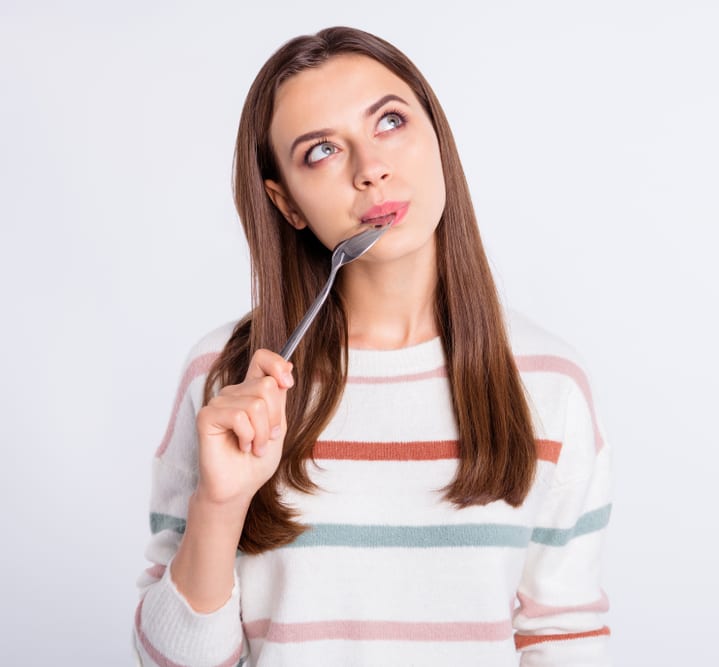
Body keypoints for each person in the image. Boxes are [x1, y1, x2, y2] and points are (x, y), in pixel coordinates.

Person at [133, 26, 612, 666]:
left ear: (437, 137)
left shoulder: (549, 381)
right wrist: (219, 505)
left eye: (389, 121)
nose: (371, 169)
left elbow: (564, 639)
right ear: (287, 203)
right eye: (323, 150)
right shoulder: (227, 381)